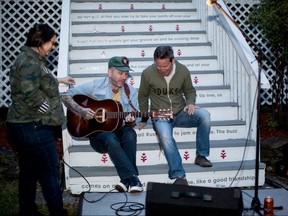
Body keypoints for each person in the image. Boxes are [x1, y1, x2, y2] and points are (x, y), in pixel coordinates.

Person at [6, 23, 75, 216]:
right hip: (34, 126)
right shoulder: (30, 61)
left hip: (22, 125)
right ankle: (57, 213)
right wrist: (45, 108)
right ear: (40, 41)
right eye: (51, 43)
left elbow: (37, 79)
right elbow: (30, 92)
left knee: (29, 172)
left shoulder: (31, 58)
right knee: (49, 173)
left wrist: (59, 80)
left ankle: (28, 211)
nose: (52, 47)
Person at [61, 56, 143, 193]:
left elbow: (134, 117)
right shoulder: (96, 86)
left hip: (119, 129)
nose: (124, 77)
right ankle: (133, 177)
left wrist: (131, 121)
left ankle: (125, 180)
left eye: (126, 73)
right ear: (110, 72)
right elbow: (65, 96)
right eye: (120, 73)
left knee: (130, 134)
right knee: (110, 138)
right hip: (99, 136)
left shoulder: (131, 92)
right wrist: (82, 110)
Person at [138, 45, 212, 186]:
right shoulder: (147, 73)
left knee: (205, 115)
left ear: (172, 60)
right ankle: (179, 175)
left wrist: (190, 102)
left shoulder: (183, 70)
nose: (161, 70)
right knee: (165, 136)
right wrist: (144, 117)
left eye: (165, 66)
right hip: (161, 115)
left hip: (181, 112)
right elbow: (142, 97)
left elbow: (190, 91)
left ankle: (201, 156)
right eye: (158, 66)